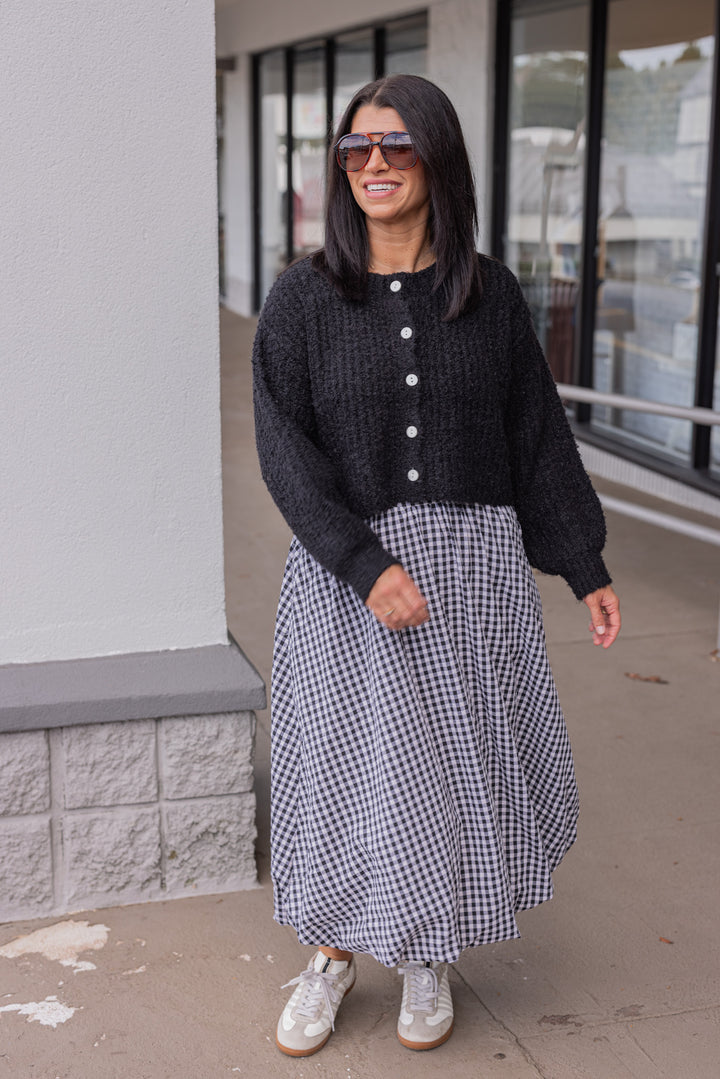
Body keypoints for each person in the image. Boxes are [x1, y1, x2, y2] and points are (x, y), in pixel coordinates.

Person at [252, 74, 621, 1058]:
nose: (372, 164)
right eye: (355, 149)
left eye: (396, 145)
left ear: (438, 158)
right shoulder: (303, 297)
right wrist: (364, 561)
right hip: (347, 576)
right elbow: (284, 449)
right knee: (343, 765)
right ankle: (331, 954)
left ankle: (428, 950)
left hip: (475, 565)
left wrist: (583, 562)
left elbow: (537, 435)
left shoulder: (488, 293)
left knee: (452, 769)